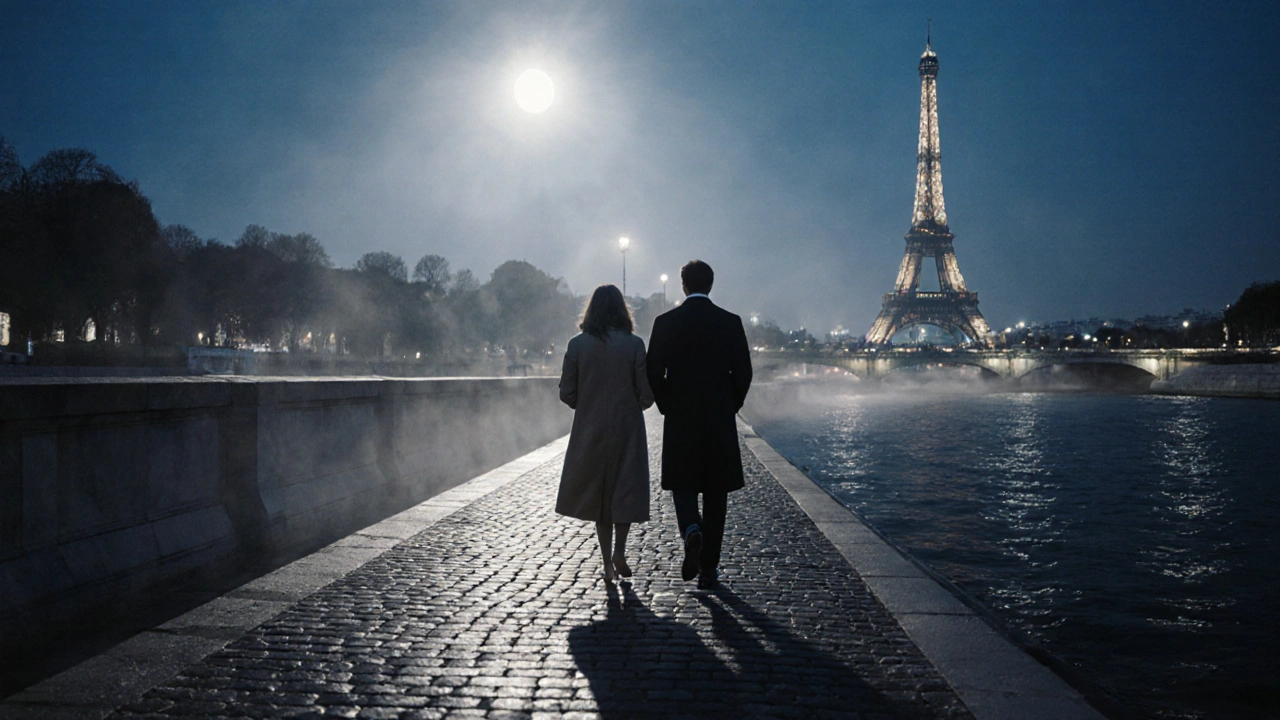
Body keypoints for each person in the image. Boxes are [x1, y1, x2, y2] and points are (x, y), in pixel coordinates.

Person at [646, 260, 752, 587]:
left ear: (683, 285)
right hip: (719, 420)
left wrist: (667, 404)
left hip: (681, 418)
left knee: (683, 483)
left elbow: (653, 371)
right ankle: (709, 568)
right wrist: (729, 405)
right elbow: (744, 373)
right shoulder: (730, 322)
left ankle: (691, 528)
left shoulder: (665, 322)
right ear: (711, 285)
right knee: (716, 494)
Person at [556, 284, 655, 584]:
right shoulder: (635, 345)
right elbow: (647, 395)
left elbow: (566, 392)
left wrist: (585, 404)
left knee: (600, 496)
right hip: (627, 428)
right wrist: (633, 404)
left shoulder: (577, 345)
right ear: (622, 310)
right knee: (624, 489)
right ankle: (620, 551)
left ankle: (606, 563)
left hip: (591, 428)